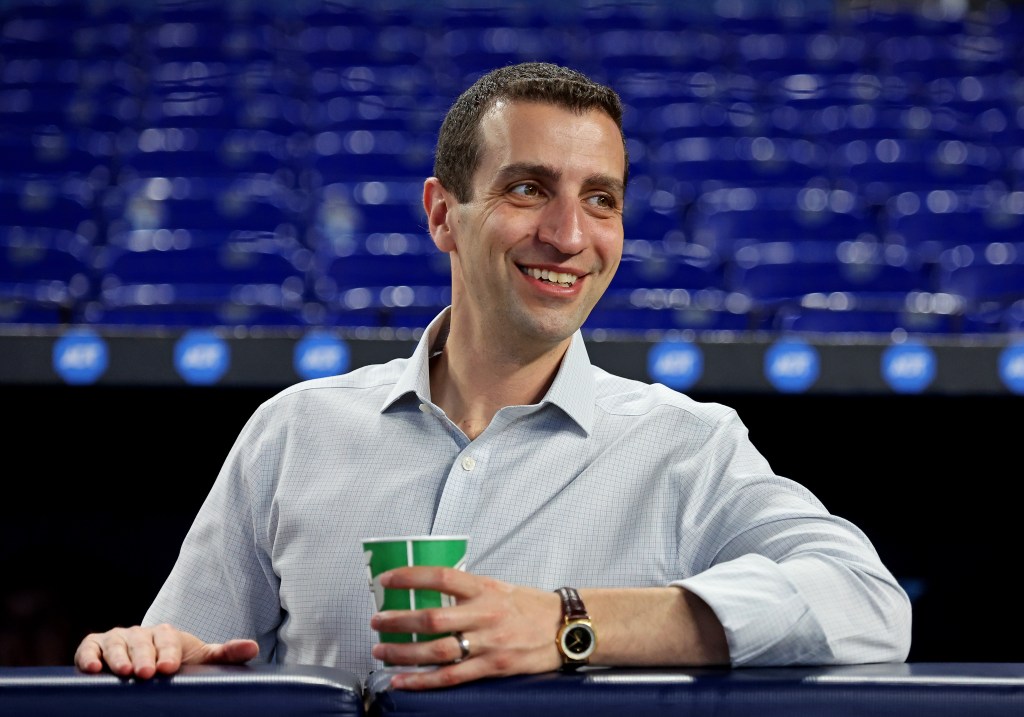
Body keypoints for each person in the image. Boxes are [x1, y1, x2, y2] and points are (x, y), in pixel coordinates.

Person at [74, 62, 912, 690]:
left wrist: (569, 623)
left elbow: (870, 606)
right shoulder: (294, 430)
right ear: (443, 212)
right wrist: (152, 655)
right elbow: (184, 652)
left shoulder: (686, 445)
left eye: (602, 199)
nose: (568, 233)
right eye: (528, 188)